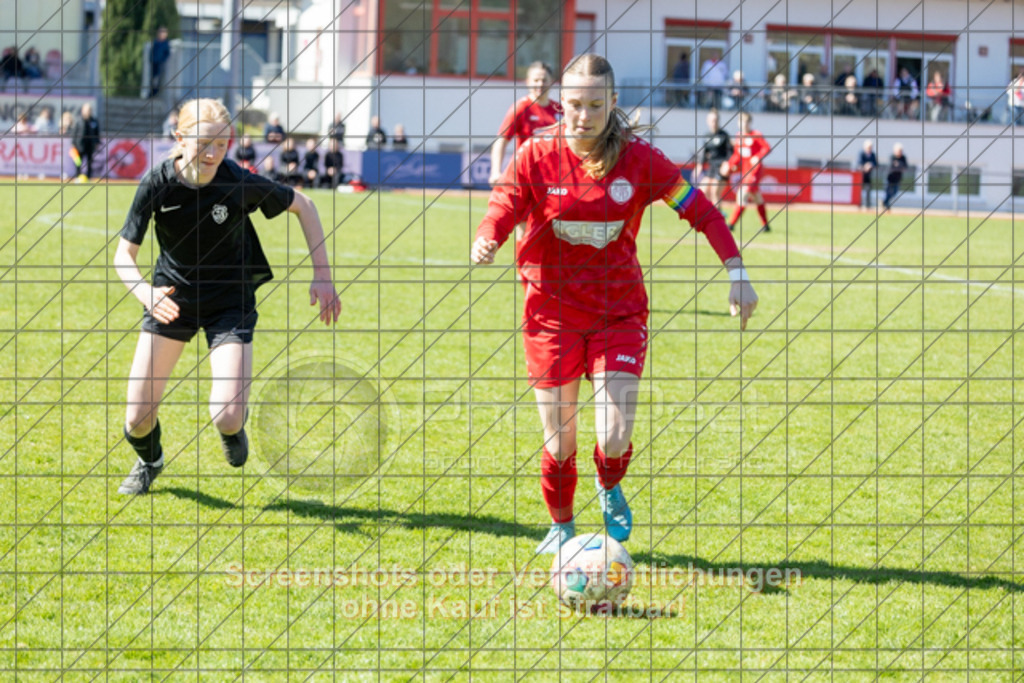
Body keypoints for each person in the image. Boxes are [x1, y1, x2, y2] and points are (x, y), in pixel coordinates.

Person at [471, 54, 758, 553]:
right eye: (575, 104)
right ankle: (561, 526)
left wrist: (738, 272)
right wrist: (487, 237)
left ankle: (608, 484)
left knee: (614, 432)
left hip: (617, 313)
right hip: (550, 313)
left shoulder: (640, 160)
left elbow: (702, 211)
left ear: (613, 103)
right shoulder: (537, 154)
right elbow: (503, 205)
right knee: (560, 442)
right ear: (562, 103)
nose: (583, 115)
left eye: (595, 105)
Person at [113, 98, 341, 495]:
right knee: (137, 419)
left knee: (227, 416)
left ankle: (234, 426)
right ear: (180, 138)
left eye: (222, 144)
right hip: (171, 299)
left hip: (229, 301)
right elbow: (123, 256)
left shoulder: (236, 180)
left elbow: (304, 205)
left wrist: (322, 275)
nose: (213, 154)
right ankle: (151, 460)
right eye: (204, 143)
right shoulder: (157, 183)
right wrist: (145, 294)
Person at [488, 62, 560, 187]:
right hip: (525, 175)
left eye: (544, 80)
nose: (540, 84)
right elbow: (501, 140)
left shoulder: (560, 109)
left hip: (553, 175)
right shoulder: (521, 108)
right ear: (528, 82)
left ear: (551, 82)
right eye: (536, 80)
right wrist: (495, 171)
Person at [725, 112, 772, 233]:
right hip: (746, 171)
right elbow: (737, 155)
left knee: (742, 194)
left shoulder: (756, 134)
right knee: (756, 197)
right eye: (741, 122)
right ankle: (765, 225)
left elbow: (767, 148)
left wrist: (758, 156)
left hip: (755, 170)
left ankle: (731, 224)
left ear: (750, 123)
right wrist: (730, 165)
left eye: (746, 122)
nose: (743, 124)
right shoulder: (739, 136)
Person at [698, 108, 732, 207]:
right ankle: (709, 216)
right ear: (708, 121)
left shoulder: (724, 135)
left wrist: (727, 163)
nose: (714, 123)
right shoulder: (707, 136)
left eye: (716, 120)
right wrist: (700, 165)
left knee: (715, 192)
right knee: (702, 191)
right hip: (711, 167)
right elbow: (704, 152)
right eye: (712, 120)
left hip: (721, 167)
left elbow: (730, 152)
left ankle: (718, 218)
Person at [70, 103, 101, 181]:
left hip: (90, 145)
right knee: (78, 162)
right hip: (79, 145)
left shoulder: (94, 121)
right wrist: (73, 144)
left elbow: (97, 133)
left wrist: (97, 142)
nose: (88, 112)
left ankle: (88, 177)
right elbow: (74, 133)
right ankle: (77, 176)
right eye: (87, 110)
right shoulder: (78, 120)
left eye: (89, 110)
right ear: (83, 111)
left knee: (90, 162)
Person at [884, 143, 909, 211]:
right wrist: (899, 166)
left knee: (894, 192)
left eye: (901, 151)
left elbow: (905, 167)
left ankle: (885, 202)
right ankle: (886, 204)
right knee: (888, 192)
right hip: (889, 178)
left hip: (897, 179)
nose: (900, 152)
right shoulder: (892, 157)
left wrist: (898, 165)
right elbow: (891, 167)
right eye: (899, 151)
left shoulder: (903, 158)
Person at [149, 27, 171, 98]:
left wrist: (162, 60)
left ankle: (157, 94)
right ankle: (151, 93)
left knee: (159, 80)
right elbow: (151, 52)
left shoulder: (165, 43)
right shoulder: (156, 42)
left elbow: (167, 53)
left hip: (161, 64)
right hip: (154, 62)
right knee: (152, 79)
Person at [858, 140, 877, 209]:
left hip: (868, 175)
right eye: (868, 147)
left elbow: (876, 163)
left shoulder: (873, 154)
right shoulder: (861, 154)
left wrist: (871, 165)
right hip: (861, 175)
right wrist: (865, 166)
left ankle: (868, 204)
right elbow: (859, 163)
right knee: (859, 190)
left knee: (868, 189)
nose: (870, 149)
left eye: (871, 147)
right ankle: (858, 203)